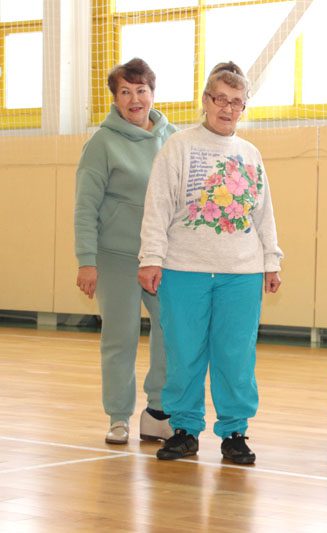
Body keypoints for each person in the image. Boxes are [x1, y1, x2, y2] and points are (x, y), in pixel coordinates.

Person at [137, 61, 283, 464]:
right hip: (184, 269)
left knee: (236, 356)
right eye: (220, 98)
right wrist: (151, 257)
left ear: (243, 107)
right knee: (184, 352)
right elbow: (158, 206)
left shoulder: (250, 154)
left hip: (241, 273)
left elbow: (263, 213)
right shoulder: (178, 146)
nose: (227, 108)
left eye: (236, 102)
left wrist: (271, 260)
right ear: (205, 100)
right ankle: (184, 429)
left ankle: (235, 432)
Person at [74, 58, 176, 445]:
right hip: (115, 257)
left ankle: (158, 412)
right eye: (125, 92)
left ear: (153, 93)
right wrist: (87, 261)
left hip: (161, 259)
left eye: (141, 90)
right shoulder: (101, 144)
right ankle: (118, 416)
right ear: (115, 99)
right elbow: (85, 207)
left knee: (171, 331)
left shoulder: (173, 139)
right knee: (121, 337)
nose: (135, 99)